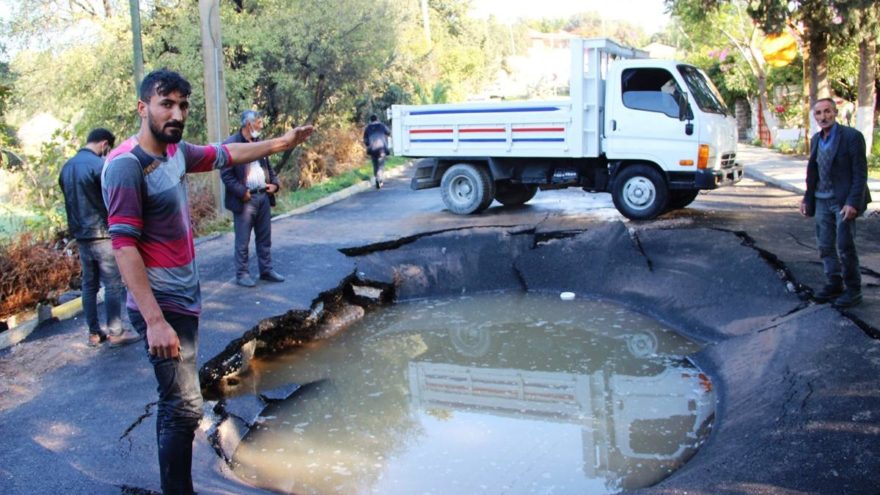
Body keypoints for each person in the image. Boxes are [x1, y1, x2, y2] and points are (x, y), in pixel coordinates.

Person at [102, 69, 313, 494]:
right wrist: (155, 320)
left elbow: (226, 153)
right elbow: (123, 247)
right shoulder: (126, 166)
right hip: (161, 305)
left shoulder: (177, 152)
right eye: (167, 104)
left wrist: (282, 143)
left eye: (182, 105)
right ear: (143, 108)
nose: (176, 113)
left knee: (180, 403)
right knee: (181, 407)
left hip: (183, 300)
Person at [58, 128, 141, 347]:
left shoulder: (67, 168)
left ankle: (94, 333)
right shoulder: (99, 166)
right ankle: (115, 332)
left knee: (89, 285)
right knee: (113, 284)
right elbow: (111, 199)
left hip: (81, 236)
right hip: (103, 234)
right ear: (104, 144)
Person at [799, 97, 872, 308]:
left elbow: (860, 174)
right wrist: (807, 197)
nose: (823, 116)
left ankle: (853, 290)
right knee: (825, 246)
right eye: (819, 113)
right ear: (815, 117)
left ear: (835, 112)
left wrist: (853, 203)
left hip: (842, 202)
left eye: (827, 111)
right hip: (821, 200)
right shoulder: (816, 139)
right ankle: (834, 283)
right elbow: (813, 172)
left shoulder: (851, 137)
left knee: (845, 246)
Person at [221, 110, 284, 287]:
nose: (261, 126)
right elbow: (226, 176)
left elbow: (269, 167)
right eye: (259, 122)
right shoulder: (231, 144)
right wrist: (242, 192)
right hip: (245, 200)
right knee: (243, 240)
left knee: (265, 237)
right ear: (248, 124)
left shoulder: (259, 143)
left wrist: (275, 184)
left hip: (263, 195)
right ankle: (242, 274)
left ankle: (266, 270)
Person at [363, 114, 391, 189]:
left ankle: (377, 178)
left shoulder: (368, 128)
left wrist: (368, 144)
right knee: (381, 165)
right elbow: (388, 132)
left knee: (375, 165)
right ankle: (379, 179)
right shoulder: (382, 126)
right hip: (381, 148)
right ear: (377, 119)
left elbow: (365, 140)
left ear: (370, 120)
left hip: (372, 149)